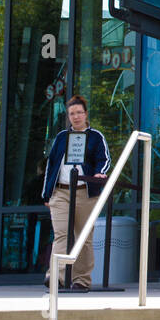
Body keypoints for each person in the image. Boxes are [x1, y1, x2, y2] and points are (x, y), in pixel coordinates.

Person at [42, 95, 110, 291]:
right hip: (61, 192)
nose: (76, 116)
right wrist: (47, 194)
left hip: (84, 192)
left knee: (84, 237)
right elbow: (51, 165)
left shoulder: (95, 137)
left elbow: (103, 159)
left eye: (79, 112)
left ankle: (81, 279)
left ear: (86, 114)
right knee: (61, 235)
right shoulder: (62, 137)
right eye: (72, 113)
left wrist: (99, 173)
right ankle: (57, 277)